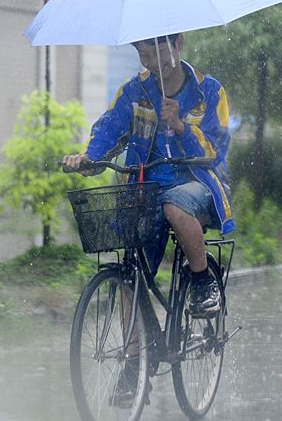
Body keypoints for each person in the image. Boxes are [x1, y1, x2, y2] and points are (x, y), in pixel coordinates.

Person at [64, 32, 234, 314]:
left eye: (157, 54)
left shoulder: (210, 92)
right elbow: (109, 129)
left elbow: (216, 149)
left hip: (197, 184)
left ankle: (203, 282)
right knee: (132, 275)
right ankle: (133, 356)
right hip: (145, 188)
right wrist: (87, 158)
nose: (152, 63)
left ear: (178, 44)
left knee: (174, 206)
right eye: (144, 55)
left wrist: (181, 126)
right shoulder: (133, 91)